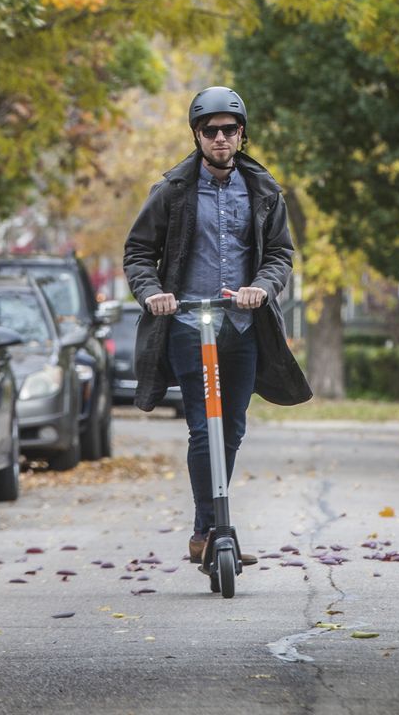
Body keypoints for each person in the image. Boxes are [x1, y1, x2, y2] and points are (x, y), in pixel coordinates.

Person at [123, 86, 312, 564]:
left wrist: (263, 288)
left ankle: (209, 529)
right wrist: (154, 295)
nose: (221, 138)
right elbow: (139, 253)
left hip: (244, 327)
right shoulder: (172, 192)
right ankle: (208, 528)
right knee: (203, 431)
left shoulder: (264, 191)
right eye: (211, 131)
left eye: (229, 129)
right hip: (189, 326)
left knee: (232, 427)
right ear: (198, 136)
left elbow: (279, 254)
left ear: (242, 134)